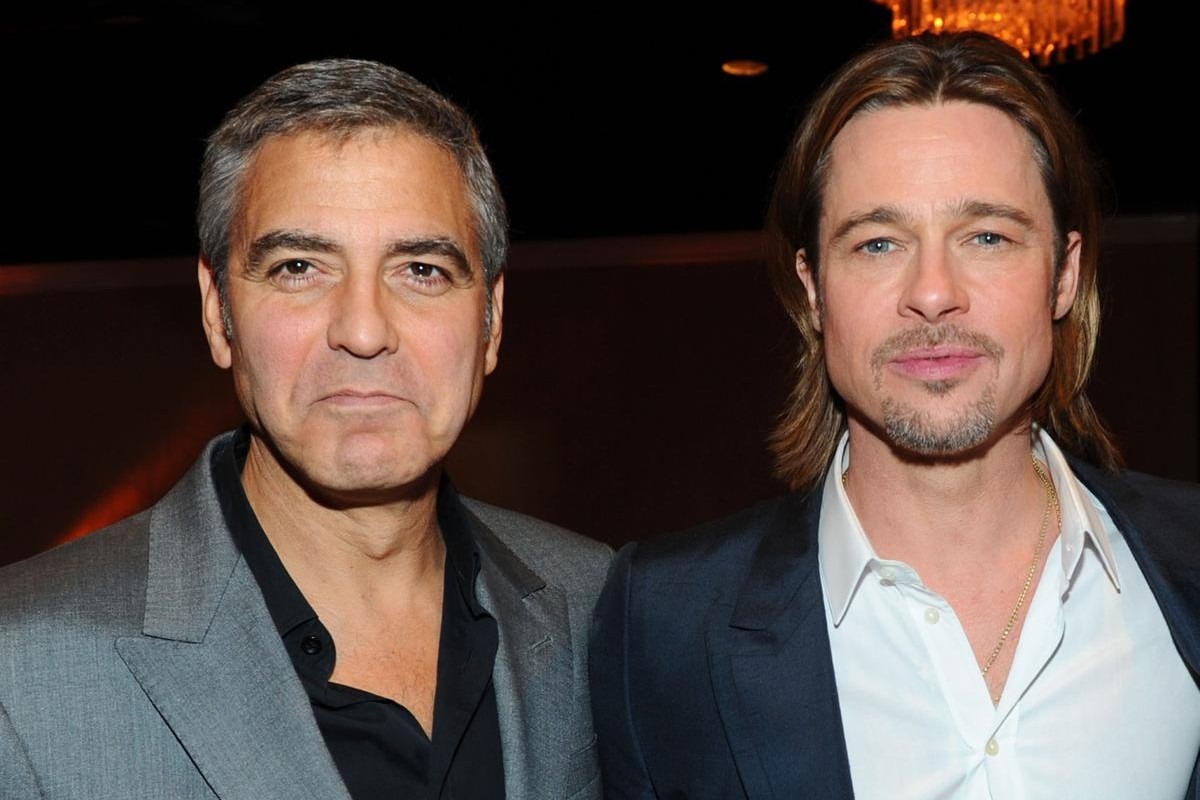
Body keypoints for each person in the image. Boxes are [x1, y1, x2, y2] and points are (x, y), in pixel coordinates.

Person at [590, 32, 1200, 799]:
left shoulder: (1186, 563)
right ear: (814, 289)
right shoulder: (664, 622)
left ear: (1065, 275)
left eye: (987, 236)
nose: (933, 292)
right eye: (879, 243)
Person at [0, 58, 610, 799]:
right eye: (299, 267)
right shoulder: (22, 667)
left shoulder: (603, 606)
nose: (363, 331)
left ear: (491, 319)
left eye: (421, 269)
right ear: (217, 311)